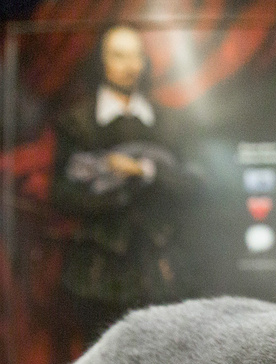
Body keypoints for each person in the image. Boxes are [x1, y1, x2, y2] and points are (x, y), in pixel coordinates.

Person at [50, 24, 200, 344]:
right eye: (118, 56)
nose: (129, 66)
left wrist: (146, 172)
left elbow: (195, 185)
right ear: (101, 62)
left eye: (136, 57)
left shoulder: (171, 123)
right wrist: (113, 188)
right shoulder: (77, 122)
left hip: (161, 269)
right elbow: (60, 193)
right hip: (97, 273)